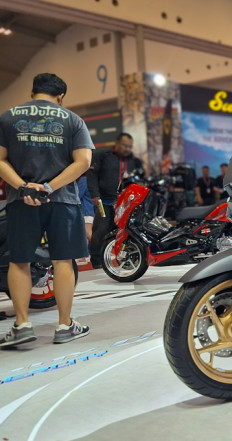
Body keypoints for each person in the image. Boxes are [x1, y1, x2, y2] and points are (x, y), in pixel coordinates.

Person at [0, 73, 93, 346]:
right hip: (63, 200)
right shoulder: (73, 120)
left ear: (32, 93)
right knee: (63, 261)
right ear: (60, 96)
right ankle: (64, 326)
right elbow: (84, 161)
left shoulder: (8, 117)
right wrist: (49, 188)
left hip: (21, 200)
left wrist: (24, 187)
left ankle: (22, 325)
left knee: (19, 261)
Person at [87, 133, 142, 268]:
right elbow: (92, 176)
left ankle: (126, 258)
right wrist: (95, 194)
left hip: (125, 203)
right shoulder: (102, 156)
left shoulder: (134, 161)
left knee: (127, 231)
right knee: (101, 230)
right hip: (103, 201)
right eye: (124, 145)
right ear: (116, 143)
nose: (127, 149)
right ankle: (97, 261)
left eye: (129, 147)